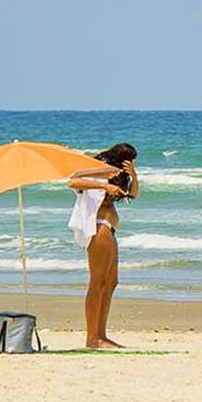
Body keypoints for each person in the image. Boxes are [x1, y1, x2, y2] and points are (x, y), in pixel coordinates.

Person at [68, 143, 138, 349]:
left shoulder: (118, 174)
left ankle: (101, 334)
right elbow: (72, 181)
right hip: (99, 228)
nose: (131, 164)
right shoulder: (98, 169)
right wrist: (103, 185)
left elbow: (132, 194)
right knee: (97, 283)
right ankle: (92, 338)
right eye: (130, 160)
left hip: (109, 229)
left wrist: (133, 174)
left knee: (111, 282)